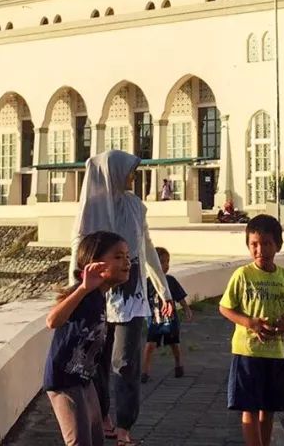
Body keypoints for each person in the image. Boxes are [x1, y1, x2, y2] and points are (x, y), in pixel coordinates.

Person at [70, 150, 173, 446]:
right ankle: (104, 418)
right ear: (113, 173)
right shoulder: (92, 208)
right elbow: (77, 249)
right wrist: (74, 292)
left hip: (132, 297)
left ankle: (125, 425)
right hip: (99, 295)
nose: (133, 177)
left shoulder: (136, 207)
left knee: (126, 362)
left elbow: (147, 248)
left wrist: (163, 289)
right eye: (129, 171)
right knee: (98, 361)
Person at [219, 214, 284, 446]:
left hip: (275, 353)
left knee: (269, 408)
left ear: (278, 245)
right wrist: (250, 323)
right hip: (248, 353)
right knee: (250, 408)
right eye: (254, 244)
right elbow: (225, 308)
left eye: (266, 243)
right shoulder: (242, 275)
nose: (260, 249)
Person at [43, 231, 131, 446]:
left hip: (83, 379)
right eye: (118, 257)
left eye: (127, 256)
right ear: (94, 264)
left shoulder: (100, 295)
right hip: (64, 380)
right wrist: (83, 288)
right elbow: (52, 321)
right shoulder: (84, 294)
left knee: (96, 439)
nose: (126, 262)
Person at [141, 246, 193, 383]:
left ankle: (178, 364)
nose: (166, 265)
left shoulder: (170, 280)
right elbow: (143, 300)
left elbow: (180, 297)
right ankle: (145, 371)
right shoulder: (147, 283)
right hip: (154, 320)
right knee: (150, 345)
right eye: (162, 262)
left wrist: (187, 309)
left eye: (167, 262)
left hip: (170, 319)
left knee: (174, 343)